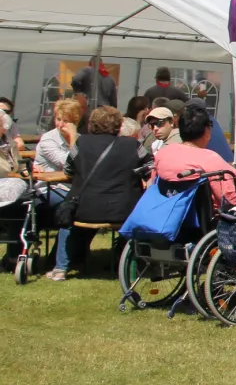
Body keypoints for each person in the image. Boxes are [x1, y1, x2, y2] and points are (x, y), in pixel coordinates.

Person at [43, 107, 150, 281]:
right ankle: (128, 263)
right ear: (118, 125)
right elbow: (149, 167)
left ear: (92, 124)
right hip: (124, 210)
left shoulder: (81, 143)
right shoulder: (133, 145)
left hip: (86, 208)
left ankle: (60, 268)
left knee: (67, 220)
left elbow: (69, 169)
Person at [154, 105, 236, 213]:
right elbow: (230, 199)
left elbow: (154, 183)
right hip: (202, 221)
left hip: (167, 213)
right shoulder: (210, 159)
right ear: (207, 131)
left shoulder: (162, 153)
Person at [35, 99, 82, 275]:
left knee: (91, 208)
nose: (61, 124)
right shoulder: (48, 140)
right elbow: (70, 164)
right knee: (69, 209)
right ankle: (60, 265)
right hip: (48, 189)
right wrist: (73, 140)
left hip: (69, 189)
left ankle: (74, 258)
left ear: (75, 121)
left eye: (66, 120)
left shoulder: (80, 138)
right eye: (58, 119)